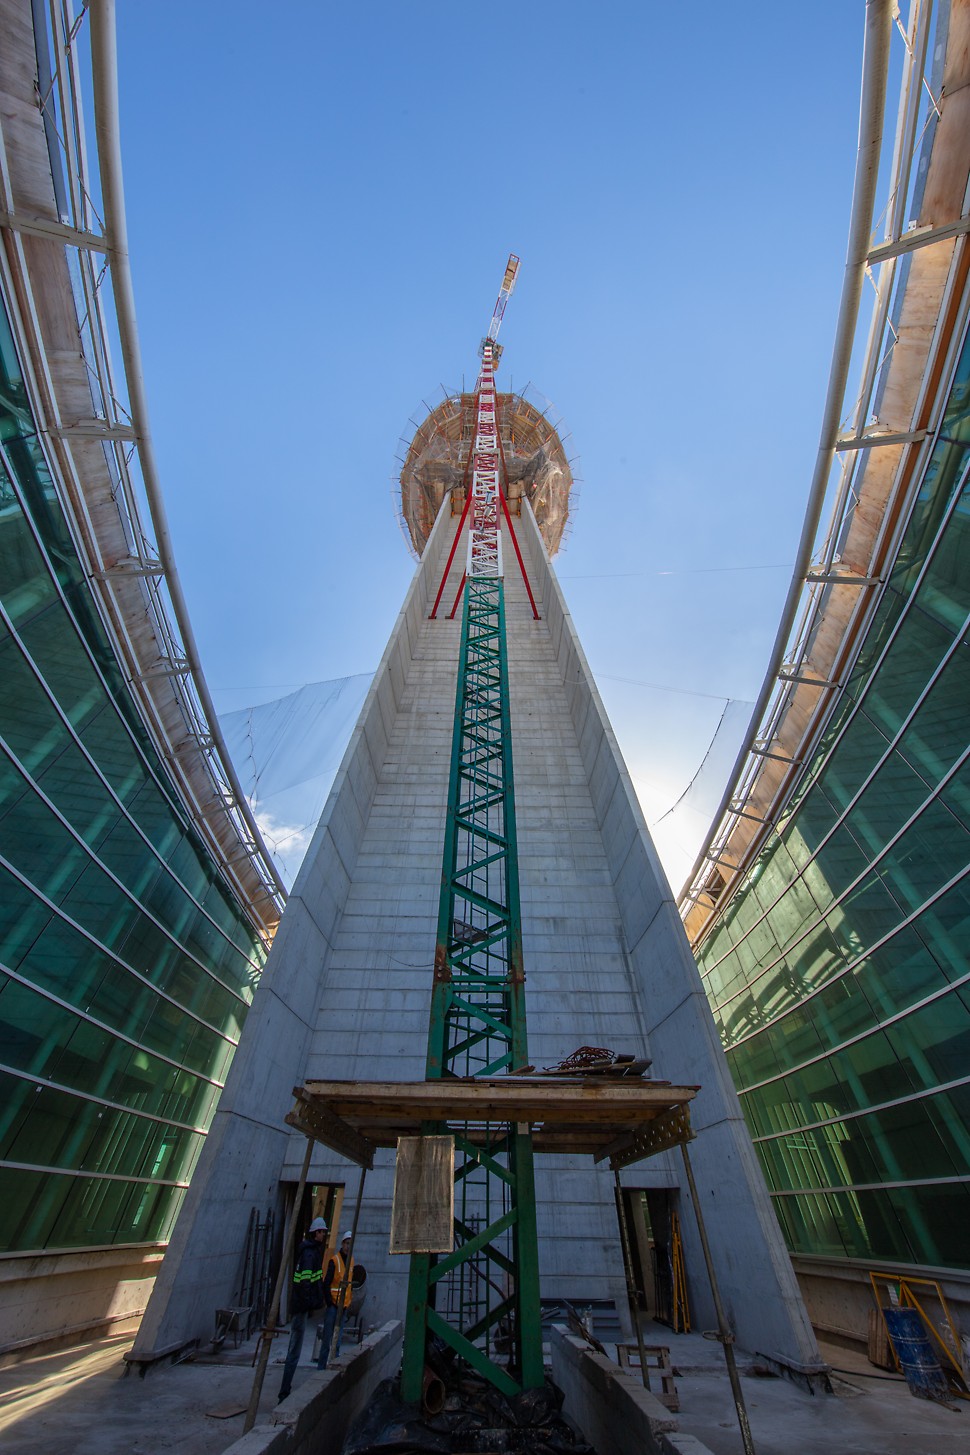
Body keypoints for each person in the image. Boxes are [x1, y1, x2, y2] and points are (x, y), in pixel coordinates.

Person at [278, 1216, 331, 1402]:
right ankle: (284, 1392)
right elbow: (305, 1282)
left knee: (296, 1347)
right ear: (314, 1233)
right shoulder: (309, 1254)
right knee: (294, 1350)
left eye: (324, 1232)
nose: (323, 1235)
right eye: (321, 1232)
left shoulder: (312, 1252)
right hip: (301, 1307)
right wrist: (310, 1302)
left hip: (301, 1305)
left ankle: (285, 1389)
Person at [316, 1229, 354, 1368]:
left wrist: (348, 1302)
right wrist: (329, 1301)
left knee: (337, 1341)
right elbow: (326, 1283)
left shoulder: (351, 1261)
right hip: (333, 1305)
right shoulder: (334, 1260)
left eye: (351, 1244)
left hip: (343, 1307)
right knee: (327, 1340)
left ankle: (333, 1369)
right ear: (343, 1244)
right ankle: (321, 1369)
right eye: (347, 1243)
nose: (348, 1246)